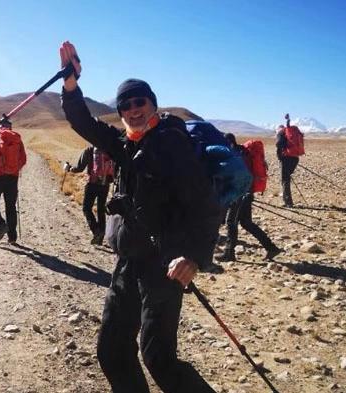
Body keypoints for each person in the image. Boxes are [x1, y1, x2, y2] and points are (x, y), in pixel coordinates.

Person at [59, 41, 221, 393]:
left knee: (159, 358)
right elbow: (83, 122)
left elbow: (205, 204)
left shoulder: (170, 143)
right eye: (125, 106)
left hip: (163, 264)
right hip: (128, 261)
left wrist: (193, 256)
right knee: (112, 349)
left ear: (153, 105)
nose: (133, 110)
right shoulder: (126, 142)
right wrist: (71, 85)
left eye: (139, 102)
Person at [218, 134, 282, 262]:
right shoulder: (242, 153)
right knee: (246, 222)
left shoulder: (236, 155)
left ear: (230, 143)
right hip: (246, 192)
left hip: (240, 193)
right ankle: (271, 248)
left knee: (232, 222)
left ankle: (229, 253)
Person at [64, 146, 114, 245]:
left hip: (92, 183)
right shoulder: (109, 149)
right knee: (101, 209)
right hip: (105, 184)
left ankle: (96, 231)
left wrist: (68, 168)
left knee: (86, 208)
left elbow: (79, 168)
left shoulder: (90, 150)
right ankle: (100, 236)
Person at [276, 114, 298, 207]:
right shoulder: (289, 133)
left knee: (285, 180)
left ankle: (288, 202)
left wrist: (280, 155)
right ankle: (288, 200)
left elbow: (278, 145)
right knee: (287, 179)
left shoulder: (281, 133)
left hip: (286, 159)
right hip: (294, 158)